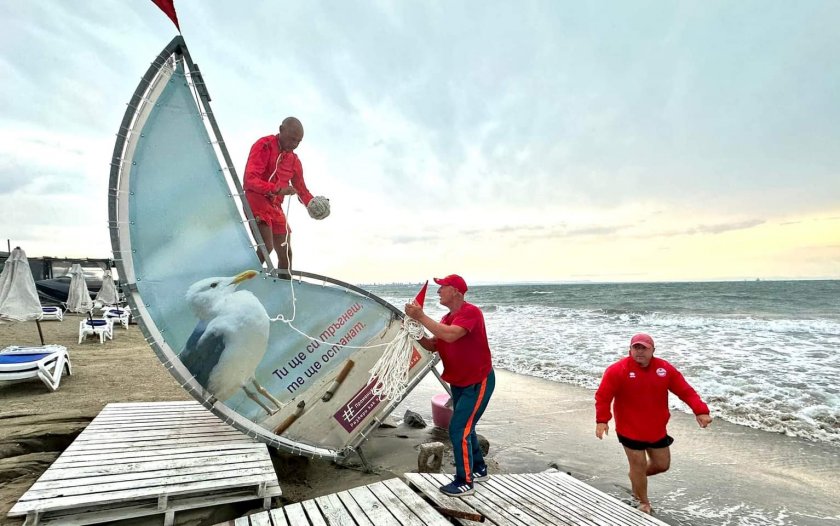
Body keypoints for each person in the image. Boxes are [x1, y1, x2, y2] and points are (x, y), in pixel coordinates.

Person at [595, 333, 712, 514]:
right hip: (629, 428)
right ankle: (643, 502)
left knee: (662, 465)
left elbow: (685, 391)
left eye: (644, 348)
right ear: (630, 350)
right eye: (636, 348)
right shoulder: (618, 370)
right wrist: (602, 420)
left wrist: (701, 410)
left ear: (653, 350)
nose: (639, 352)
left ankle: (636, 476)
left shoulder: (664, 369)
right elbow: (603, 396)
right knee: (638, 464)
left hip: (656, 428)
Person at [404, 274, 495, 497]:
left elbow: (451, 336)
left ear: (455, 290)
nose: (438, 291)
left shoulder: (470, 313)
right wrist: (413, 328)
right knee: (466, 427)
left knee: (457, 429)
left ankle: (465, 482)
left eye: (442, 287)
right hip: (459, 383)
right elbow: (432, 344)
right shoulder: (445, 319)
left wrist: (422, 316)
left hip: (477, 381)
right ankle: (479, 469)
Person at [242, 116, 327, 272]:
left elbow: (301, 189)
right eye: (292, 139)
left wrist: (313, 204)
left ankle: (286, 288)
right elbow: (250, 180)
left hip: (275, 206)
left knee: (286, 252)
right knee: (266, 247)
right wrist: (278, 190)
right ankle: (244, 283)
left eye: (298, 142)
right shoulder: (264, 145)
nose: (294, 145)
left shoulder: (294, 160)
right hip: (256, 199)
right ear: (281, 130)